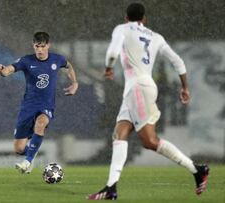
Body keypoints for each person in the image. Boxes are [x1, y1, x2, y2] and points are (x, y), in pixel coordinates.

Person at [87, 3, 209, 200]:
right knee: (119, 134)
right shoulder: (156, 37)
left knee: (150, 141)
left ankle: (197, 170)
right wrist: (185, 87)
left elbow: (112, 52)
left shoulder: (122, 29)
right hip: (139, 88)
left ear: (126, 17)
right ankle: (111, 188)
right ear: (144, 19)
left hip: (137, 89)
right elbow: (178, 61)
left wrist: (109, 68)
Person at [0, 32, 78, 173]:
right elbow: (10, 69)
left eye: (42, 46)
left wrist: (74, 83)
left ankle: (27, 162)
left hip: (46, 106)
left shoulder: (57, 59)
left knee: (41, 123)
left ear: (48, 45)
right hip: (28, 107)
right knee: (19, 148)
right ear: (33, 46)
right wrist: (2, 71)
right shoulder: (27, 61)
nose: (39, 50)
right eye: (37, 46)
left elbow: (69, 66)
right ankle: (30, 155)